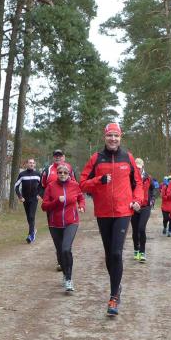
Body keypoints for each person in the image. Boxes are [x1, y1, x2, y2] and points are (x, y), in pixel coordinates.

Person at [80, 122, 143, 316]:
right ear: (105, 137)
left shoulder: (128, 157)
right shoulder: (96, 158)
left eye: (116, 135)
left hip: (123, 211)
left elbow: (138, 183)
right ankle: (116, 284)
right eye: (110, 135)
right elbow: (82, 183)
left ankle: (114, 295)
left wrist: (137, 200)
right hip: (103, 212)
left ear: (120, 137)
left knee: (116, 252)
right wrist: (98, 180)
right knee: (109, 254)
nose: (113, 139)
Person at [42, 163, 85, 292]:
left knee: (66, 249)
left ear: (69, 174)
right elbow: (44, 206)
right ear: (57, 174)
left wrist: (81, 206)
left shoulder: (75, 185)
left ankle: (68, 279)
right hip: (54, 224)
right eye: (60, 172)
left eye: (65, 173)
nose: (62, 174)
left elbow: (81, 198)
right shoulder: (51, 186)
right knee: (60, 252)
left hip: (71, 222)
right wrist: (56, 201)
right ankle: (65, 273)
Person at [40, 149, 75, 270]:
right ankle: (60, 260)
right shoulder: (47, 170)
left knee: (67, 235)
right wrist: (46, 199)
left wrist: (75, 200)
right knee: (57, 236)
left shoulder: (69, 168)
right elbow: (42, 186)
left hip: (68, 208)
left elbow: (75, 185)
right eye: (56, 155)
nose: (58, 157)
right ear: (53, 157)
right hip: (52, 208)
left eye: (60, 155)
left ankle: (66, 255)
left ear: (64, 157)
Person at [130, 158, 155, 263]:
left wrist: (152, 199)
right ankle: (136, 249)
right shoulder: (130, 177)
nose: (138, 169)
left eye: (139, 168)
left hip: (145, 206)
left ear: (143, 167)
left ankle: (142, 252)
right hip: (134, 206)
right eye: (136, 168)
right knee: (135, 230)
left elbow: (152, 189)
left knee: (141, 228)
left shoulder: (148, 177)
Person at [14, 157, 41, 243]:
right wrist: (20, 196)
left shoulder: (38, 174)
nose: (31, 164)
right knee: (28, 217)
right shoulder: (22, 174)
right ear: (27, 164)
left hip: (34, 198)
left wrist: (40, 194)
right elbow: (16, 186)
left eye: (33, 163)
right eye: (30, 163)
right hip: (25, 199)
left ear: (34, 164)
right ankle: (33, 230)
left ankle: (31, 235)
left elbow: (43, 186)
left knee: (31, 216)